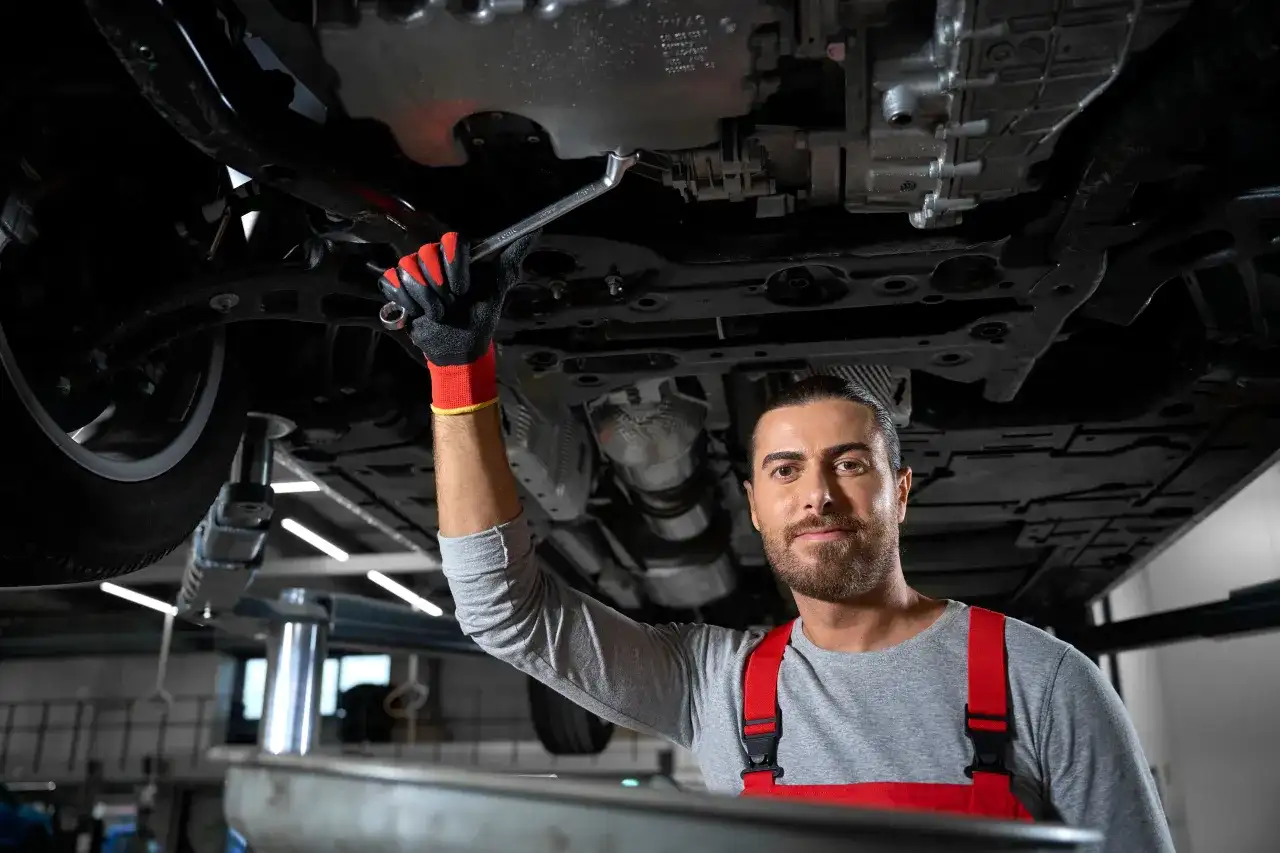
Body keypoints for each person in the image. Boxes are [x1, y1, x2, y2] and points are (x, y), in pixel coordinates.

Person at [380, 234, 1175, 852]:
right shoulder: (715, 686)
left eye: (851, 463)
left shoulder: (1042, 681)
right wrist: (459, 372)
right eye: (787, 469)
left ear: (899, 491)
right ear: (756, 505)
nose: (818, 493)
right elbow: (502, 611)